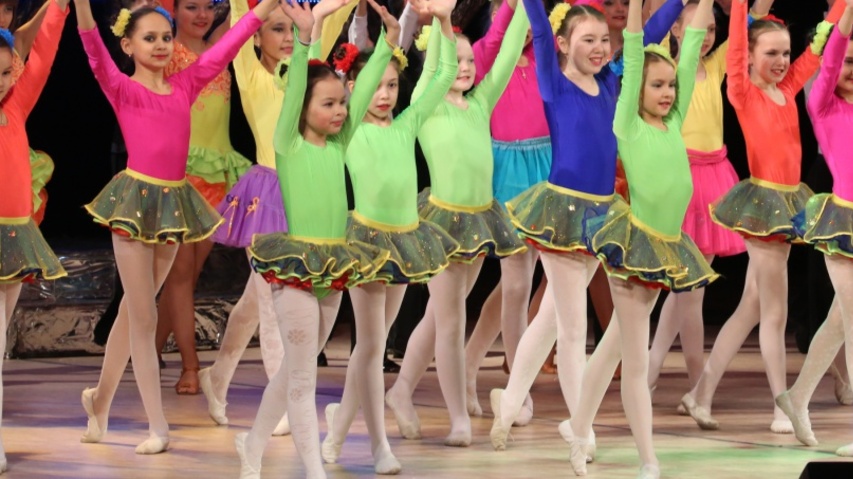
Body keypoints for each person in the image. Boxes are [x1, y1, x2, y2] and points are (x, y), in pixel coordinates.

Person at [75, 0, 280, 453]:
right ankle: (158, 427)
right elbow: (91, 45)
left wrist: (265, 6)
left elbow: (229, 45)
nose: (161, 45)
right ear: (127, 45)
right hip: (134, 205)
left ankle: (100, 401)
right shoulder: (121, 87)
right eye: (149, 38)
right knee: (144, 316)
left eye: (166, 37)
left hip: (172, 204)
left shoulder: (186, 84)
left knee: (133, 314)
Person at [235, 0, 395, 476]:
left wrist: (391, 39)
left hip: (333, 267)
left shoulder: (339, 143)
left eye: (341, 102)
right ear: (303, 106)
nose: (341, 110)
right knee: (303, 377)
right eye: (328, 104)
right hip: (297, 270)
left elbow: (367, 83)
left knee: (293, 371)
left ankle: (253, 445)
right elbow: (296, 90)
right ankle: (313, 469)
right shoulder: (288, 143)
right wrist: (307, 38)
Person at [560, 0, 715, 477]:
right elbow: (631, 48)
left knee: (611, 348)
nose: (668, 93)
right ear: (636, 89)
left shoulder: (673, 121)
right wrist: (632, 13)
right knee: (636, 360)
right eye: (657, 85)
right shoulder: (626, 123)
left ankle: (577, 428)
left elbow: (691, 48)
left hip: (664, 248)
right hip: (634, 250)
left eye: (671, 85)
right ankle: (649, 458)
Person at [681, 0, 845, 433]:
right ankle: (781, 407)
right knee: (775, 314)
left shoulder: (788, 88)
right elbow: (736, 44)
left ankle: (700, 393)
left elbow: (819, 46)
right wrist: (739, 6)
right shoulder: (742, 90)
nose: (781, 61)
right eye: (771, 53)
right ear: (750, 56)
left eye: (785, 53)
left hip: (789, 204)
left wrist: (841, 8)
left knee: (751, 308)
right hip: (763, 210)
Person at [383, 0, 529, 447]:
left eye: (470, 61)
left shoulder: (479, 104)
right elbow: (437, 69)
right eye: (457, 59)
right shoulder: (427, 105)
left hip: (479, 221)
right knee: (450, 321)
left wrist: (526, 7)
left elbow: (507, 54)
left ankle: (401, 390)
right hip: (443, 223)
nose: (465, 67)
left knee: (438, 316)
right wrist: (444, 21)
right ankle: (457, 418)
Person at [322, 2, 459, 472]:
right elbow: (356, 87)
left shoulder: (406, 125)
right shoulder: (348, 133)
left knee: (371, 349)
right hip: (366, 243)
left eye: (392, 86)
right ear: (353, 89)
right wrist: (389, 39)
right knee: (371, 347)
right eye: (375, 86)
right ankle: (379, 445)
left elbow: (443, 77)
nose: (384, 95)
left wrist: (444, 23)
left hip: (404, 242)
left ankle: (336, 434)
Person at [776, 1, 853, 456]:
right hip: (842, 222)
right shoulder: (822, 104)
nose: (850, 70)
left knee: (841, 320)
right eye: (845, 62)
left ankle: (797, 396)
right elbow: (835, 47)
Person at [0, 0, 68, 469]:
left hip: (13, 238)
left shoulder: (17, 106)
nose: (1, 82)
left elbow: (43, 52)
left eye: (6, 73)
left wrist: (60, 6)